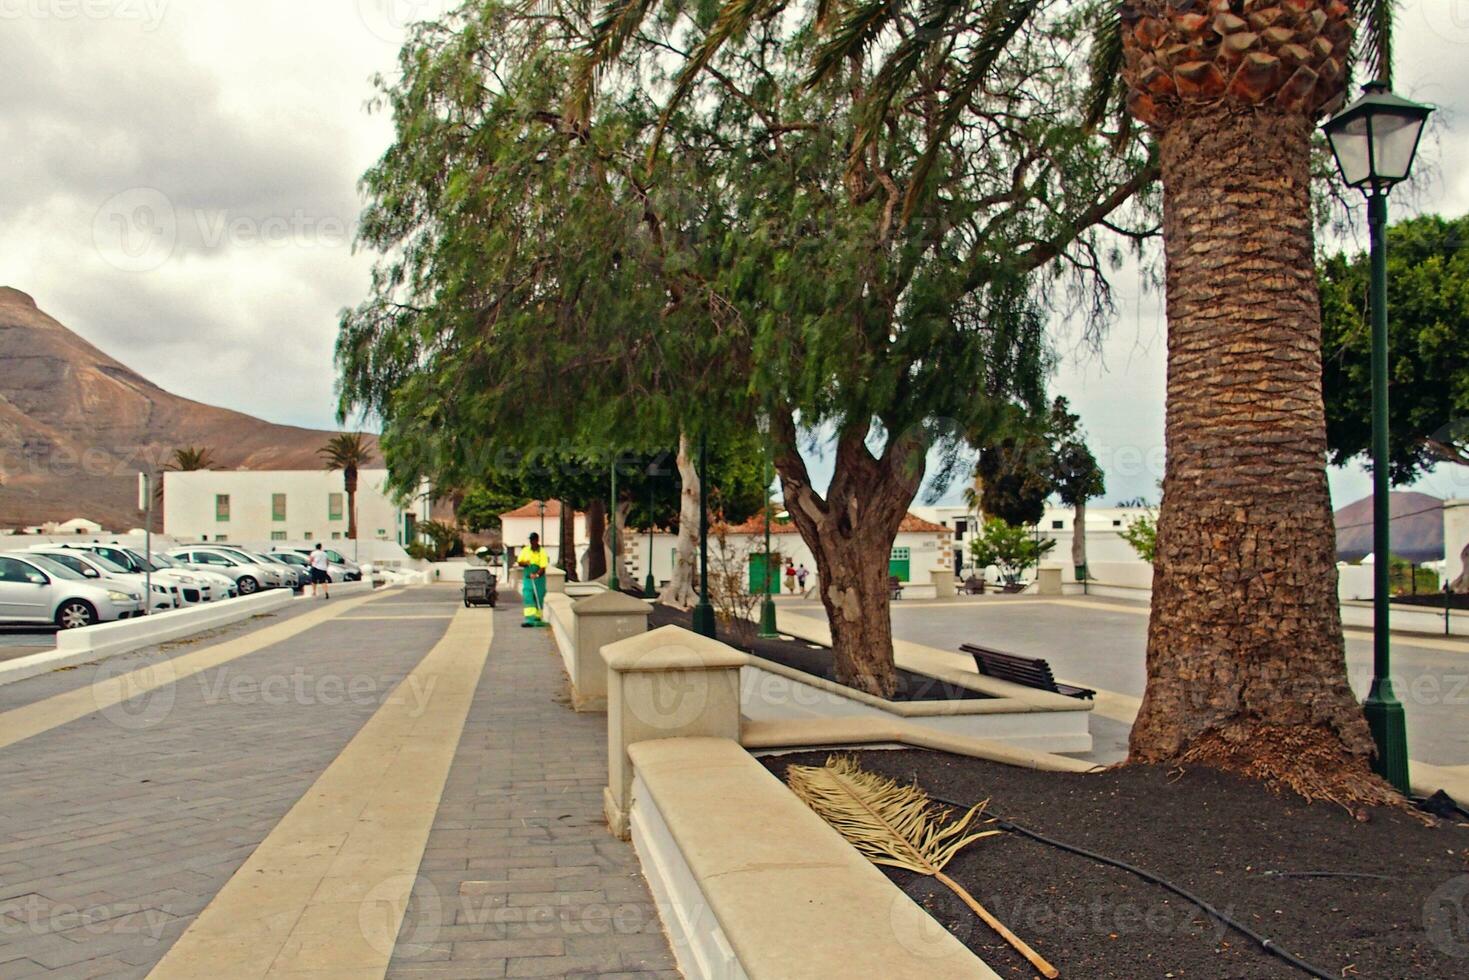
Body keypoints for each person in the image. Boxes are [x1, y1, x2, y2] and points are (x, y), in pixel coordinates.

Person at [517, 533, 550, 628]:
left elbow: (543, 567)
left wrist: (536, 574)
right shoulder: (526, 550)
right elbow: (520, 562)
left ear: (537, 540)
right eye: (530, 540)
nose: (531, 542)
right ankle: (529, 618)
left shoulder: (542, 552)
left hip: (539, 578)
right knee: (528, 595)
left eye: (533, 540)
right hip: (528, 576)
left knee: (538, 596)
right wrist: (525, 563)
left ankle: (537, 618)